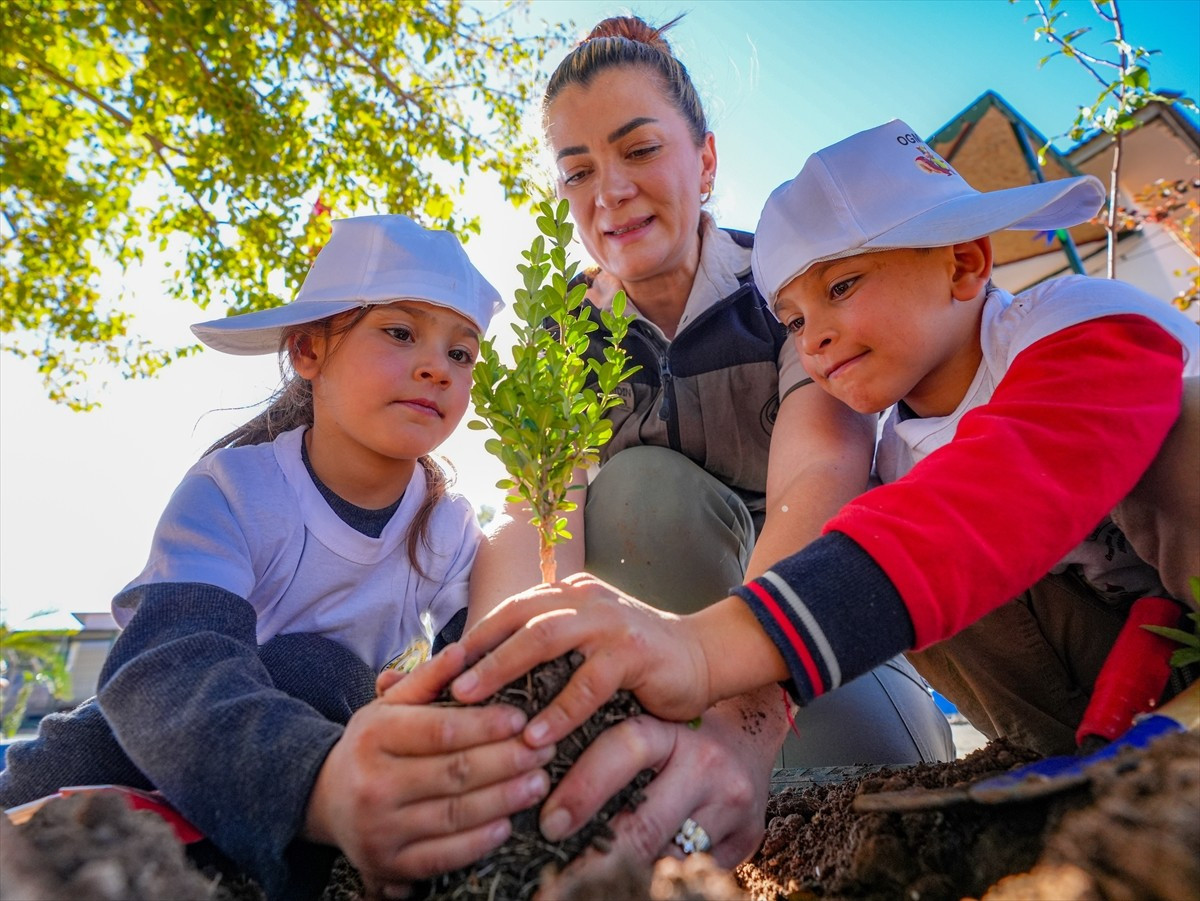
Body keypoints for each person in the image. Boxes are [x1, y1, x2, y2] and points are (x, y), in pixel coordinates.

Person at [451, 117, 1199, 769]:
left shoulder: (1084, 319)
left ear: (964, 263)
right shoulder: (895, 461)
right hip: (1102, 682)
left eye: (842, 287)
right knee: (886, 540)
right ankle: (1079, 765)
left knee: (1186, 423)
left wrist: (711, 650)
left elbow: (1007, 483)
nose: (815, 339)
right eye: (794, 320)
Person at [467, 17, 953, 870]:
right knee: (635, 496)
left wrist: (748, 717)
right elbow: (536, 518)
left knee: (881, 794)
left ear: (707, 161)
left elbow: (822, 471)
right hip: (649, 672)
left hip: (817, 638)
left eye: (639, 150)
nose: (610, 191)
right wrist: (492, 696)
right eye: (578, 170)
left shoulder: (786, 290)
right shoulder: (565, 336)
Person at [0, 216, 555, 900]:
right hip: (147, 750)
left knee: (330, 675)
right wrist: (318, 779)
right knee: (302, 668)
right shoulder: (235, 490)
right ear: (308, 350)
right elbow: (167, 659)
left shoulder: (444, 528)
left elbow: (479, 664)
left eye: (462, 353)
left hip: (320, 776)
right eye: (399, 332)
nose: (437, 366)